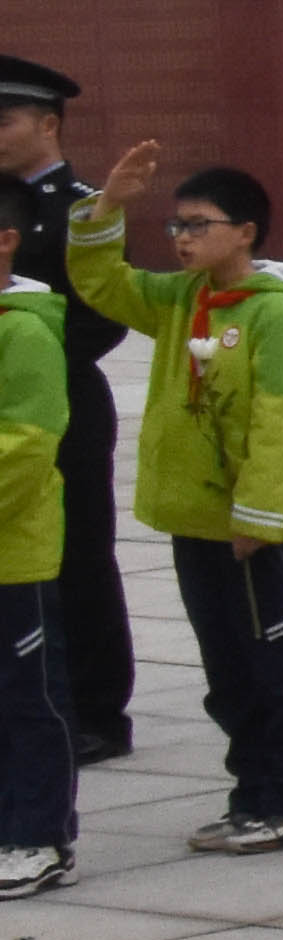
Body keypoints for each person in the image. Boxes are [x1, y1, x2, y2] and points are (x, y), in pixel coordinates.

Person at [66, 152, 283, 857]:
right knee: (228, 671)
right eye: (176, 225)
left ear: (245, 232)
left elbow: (281, 420)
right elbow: (101, 282)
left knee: (278, 667)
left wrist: (258, 515)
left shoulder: (276, 313)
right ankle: (252, 795)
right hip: (195, 519)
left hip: (252, 528)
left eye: (198, 225)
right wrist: (105, 210)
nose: (181, 239)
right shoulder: (182, 299)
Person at [0, 57, 133, 771]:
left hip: (68, 404)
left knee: (78, 555)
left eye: (5, 121)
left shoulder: (85, 208)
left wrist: (33, 364)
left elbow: (103, 314)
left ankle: (97, 710)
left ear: (48, 124)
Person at [0, 204, 64, 898]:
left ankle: (39, 836)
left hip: (13, 552)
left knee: (27, 700)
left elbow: (25, 445)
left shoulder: (23, 332)